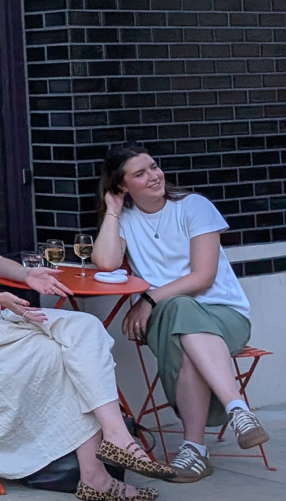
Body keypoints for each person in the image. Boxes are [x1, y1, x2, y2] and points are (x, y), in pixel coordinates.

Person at [0, 139, 174, 501]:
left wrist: (29, 276)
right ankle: (95, 474)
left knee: (85, 329)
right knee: (60, 359)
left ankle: (117, 438)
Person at [94, 142, 266, 481]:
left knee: (183, 319)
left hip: (224, 315)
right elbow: (106, 261)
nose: (154, 176)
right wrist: (112, 211)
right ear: (122, 186)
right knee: (180, 313)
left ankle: (196, 449)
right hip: (170, 315)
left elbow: (203, 277)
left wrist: (150, 298)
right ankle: (238, 411)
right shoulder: (126, 220)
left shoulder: (194, 206)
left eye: (154, 167)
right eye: (140, 174)